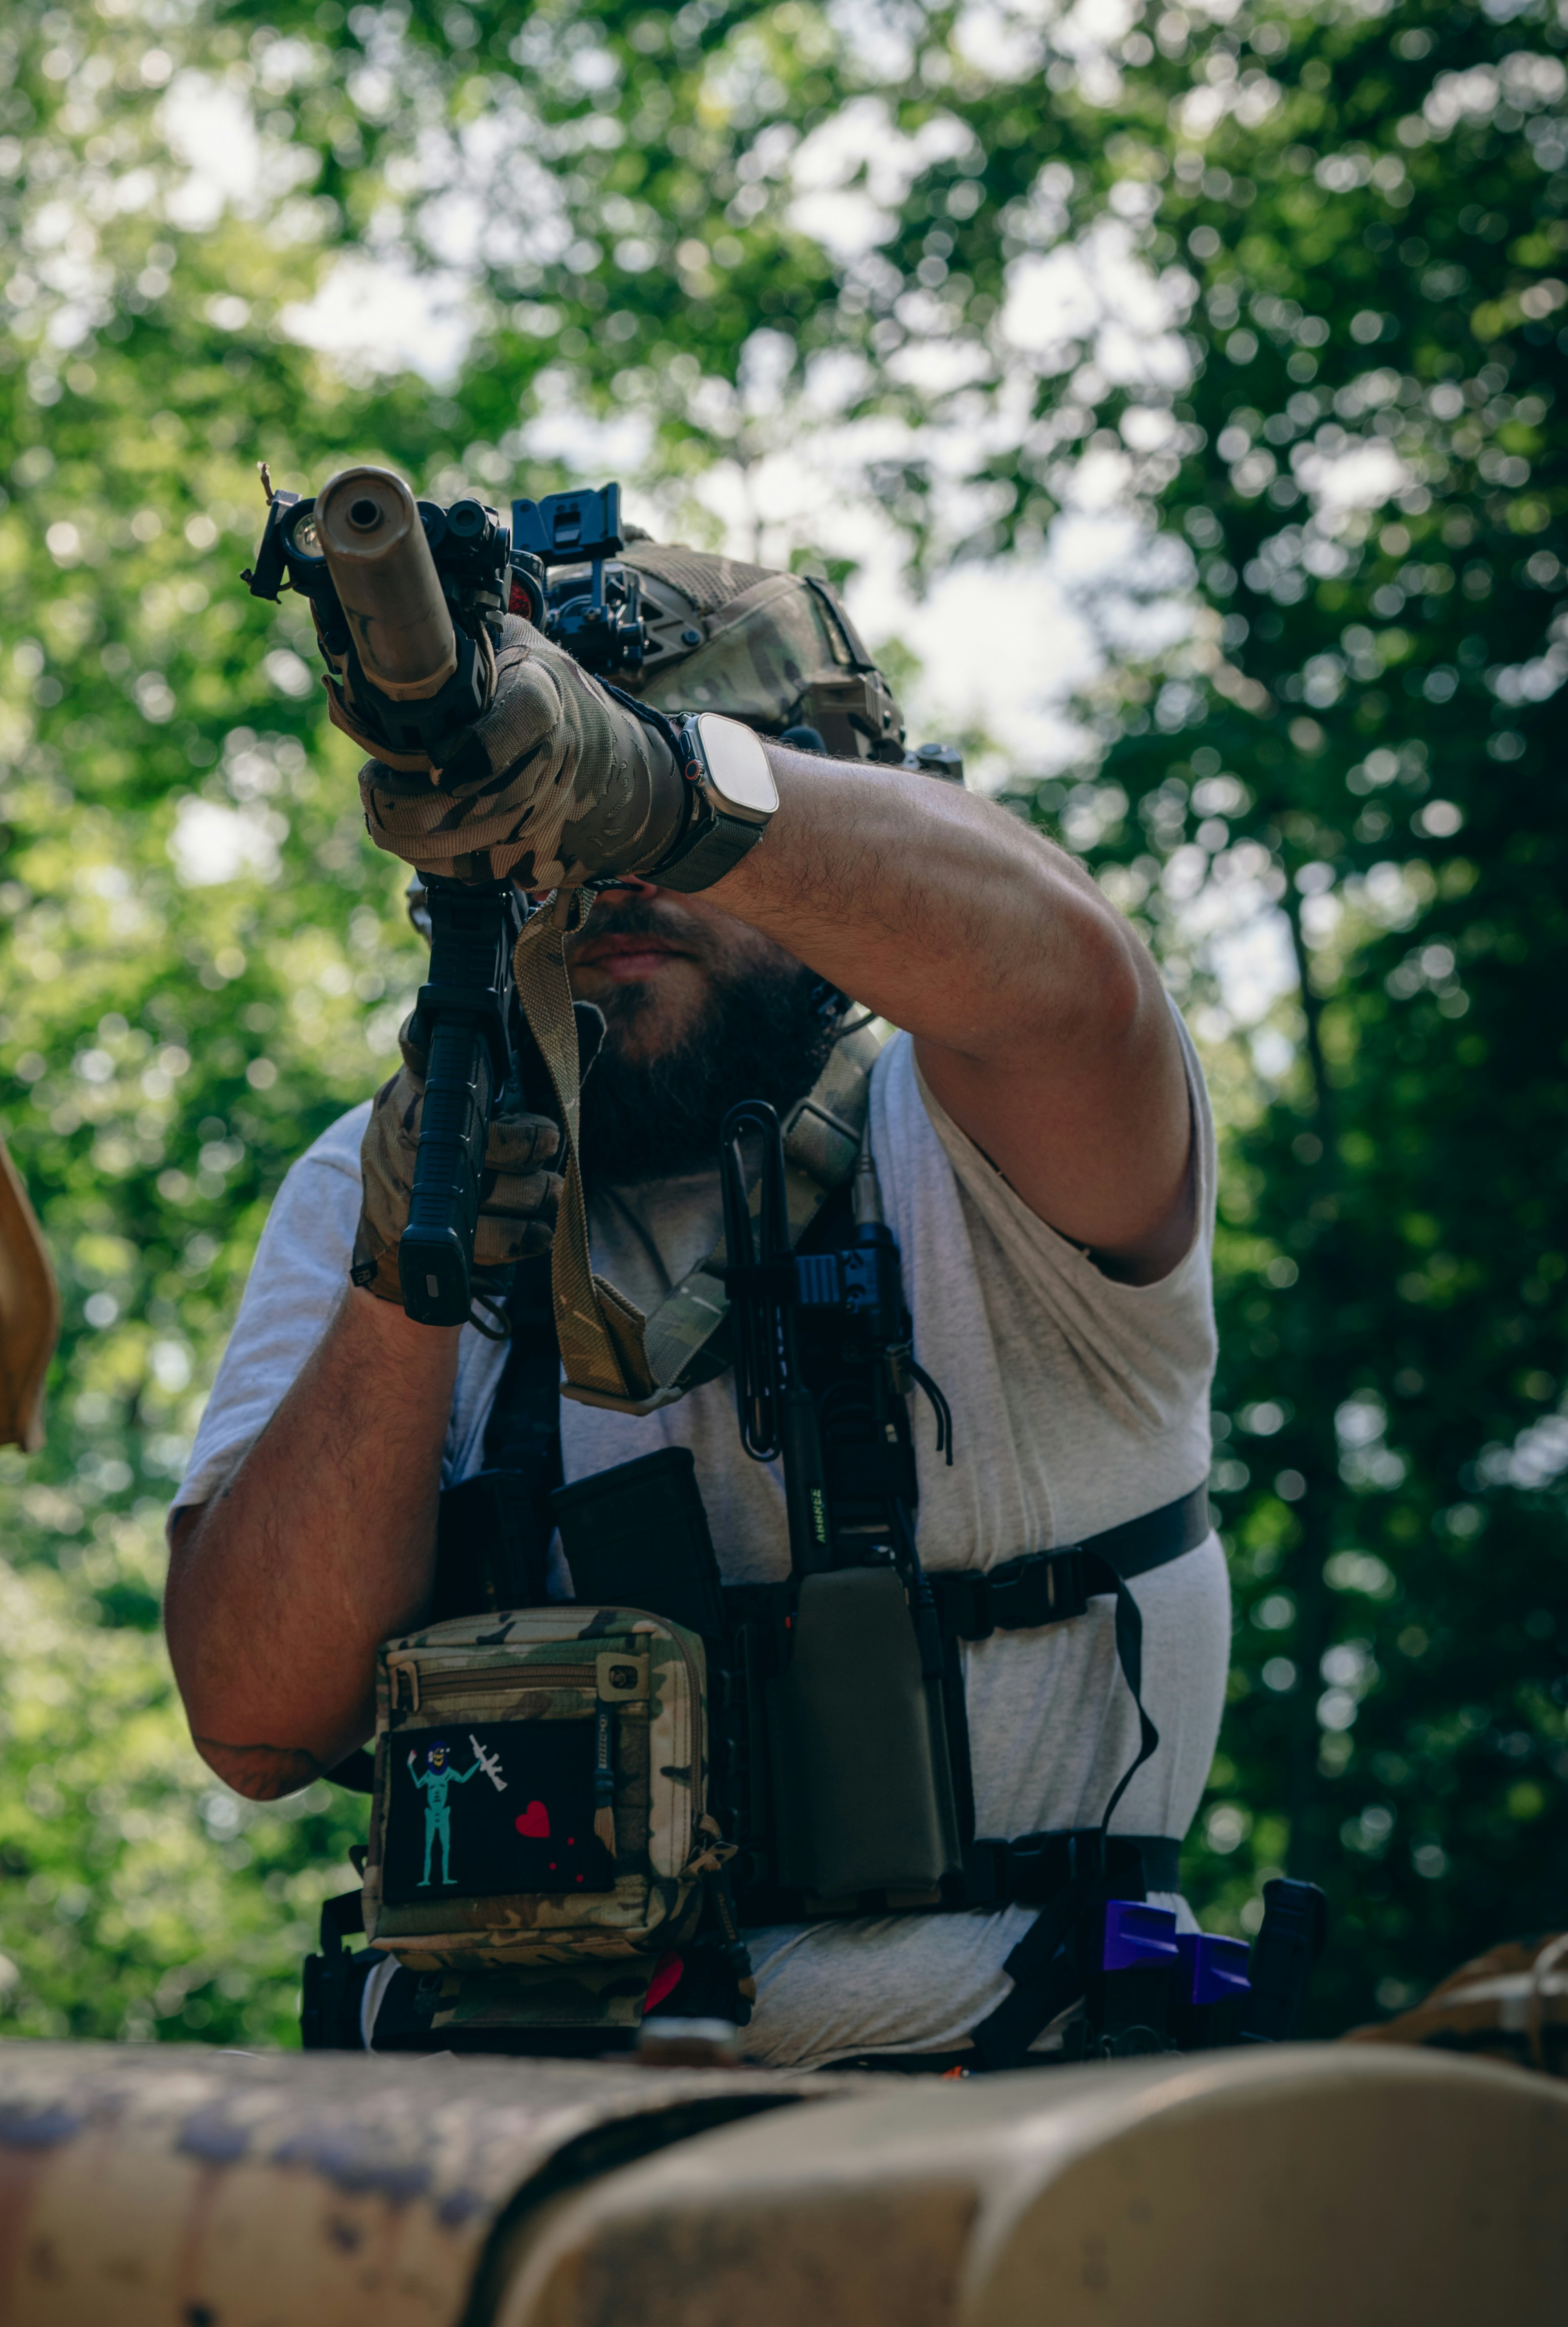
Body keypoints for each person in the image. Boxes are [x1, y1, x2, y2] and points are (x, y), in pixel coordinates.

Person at [166, 543, 1229, 2069]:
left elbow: (1072, 982)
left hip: (991, 2127)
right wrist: (412, 1270)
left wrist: (665, 788)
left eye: (667, 804)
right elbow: (258, 1719)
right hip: (492, 2154)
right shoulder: (380, 1173)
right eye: (558, 828)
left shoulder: (977, 1125)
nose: (612, 880)